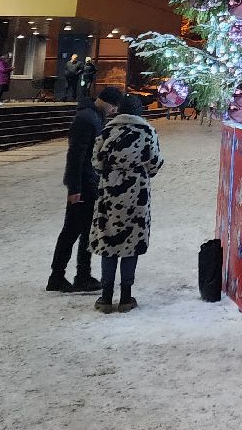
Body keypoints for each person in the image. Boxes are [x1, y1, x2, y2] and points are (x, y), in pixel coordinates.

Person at [90, 93, 163, 314]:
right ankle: (126, 296)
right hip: (137, 193)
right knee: (132, 242)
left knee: (109, 242)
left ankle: (105, 296)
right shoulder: (147, 131)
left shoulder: (107, 131)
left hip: (109, 193)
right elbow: (155, 163)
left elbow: (96, 161)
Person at [46, 84, 122, 293]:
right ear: (105, 102)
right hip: (83, 186)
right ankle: (58, 276)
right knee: (71, 232)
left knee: (87, 232)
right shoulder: (86, 119)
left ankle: (82, 274)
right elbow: (76, 156)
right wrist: (74, 188)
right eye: (113, 106)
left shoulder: (94, 118)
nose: (114, 111)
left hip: (90, 184)